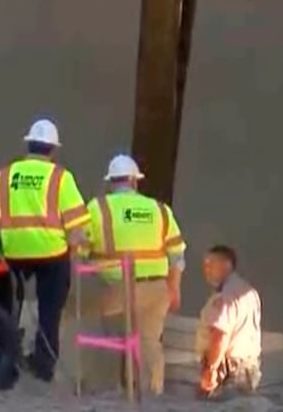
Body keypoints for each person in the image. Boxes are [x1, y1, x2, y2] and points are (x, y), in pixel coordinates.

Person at [0, 118, 89, 382]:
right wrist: (79, 249)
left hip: (13, 252)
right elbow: (76, 227)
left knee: (6, 306)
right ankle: (43, 364)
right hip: (51, 254)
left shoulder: (5, 175)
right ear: (52, 150)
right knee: (50, 310)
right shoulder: (61, 177)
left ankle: (5, 356)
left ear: (29, 145)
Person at [83, 154, 186, 396]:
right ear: (135, 181)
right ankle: (149, 395)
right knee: (149, 342)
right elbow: (177, 255)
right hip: (157, 289)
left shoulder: (98, 207)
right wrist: (174, 288)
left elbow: (80, 250)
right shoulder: (160, 210)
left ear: (110, 182)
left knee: (108, 338)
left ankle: (107, 392)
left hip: (117, 288)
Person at [197, 245, 263, 399]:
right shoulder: (249, 291)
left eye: (210, 264)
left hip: (228, 371)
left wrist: (211, 369)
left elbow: (220, 335)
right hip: (248, 367)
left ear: (226, 265)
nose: (205, 269)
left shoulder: (225, 296)